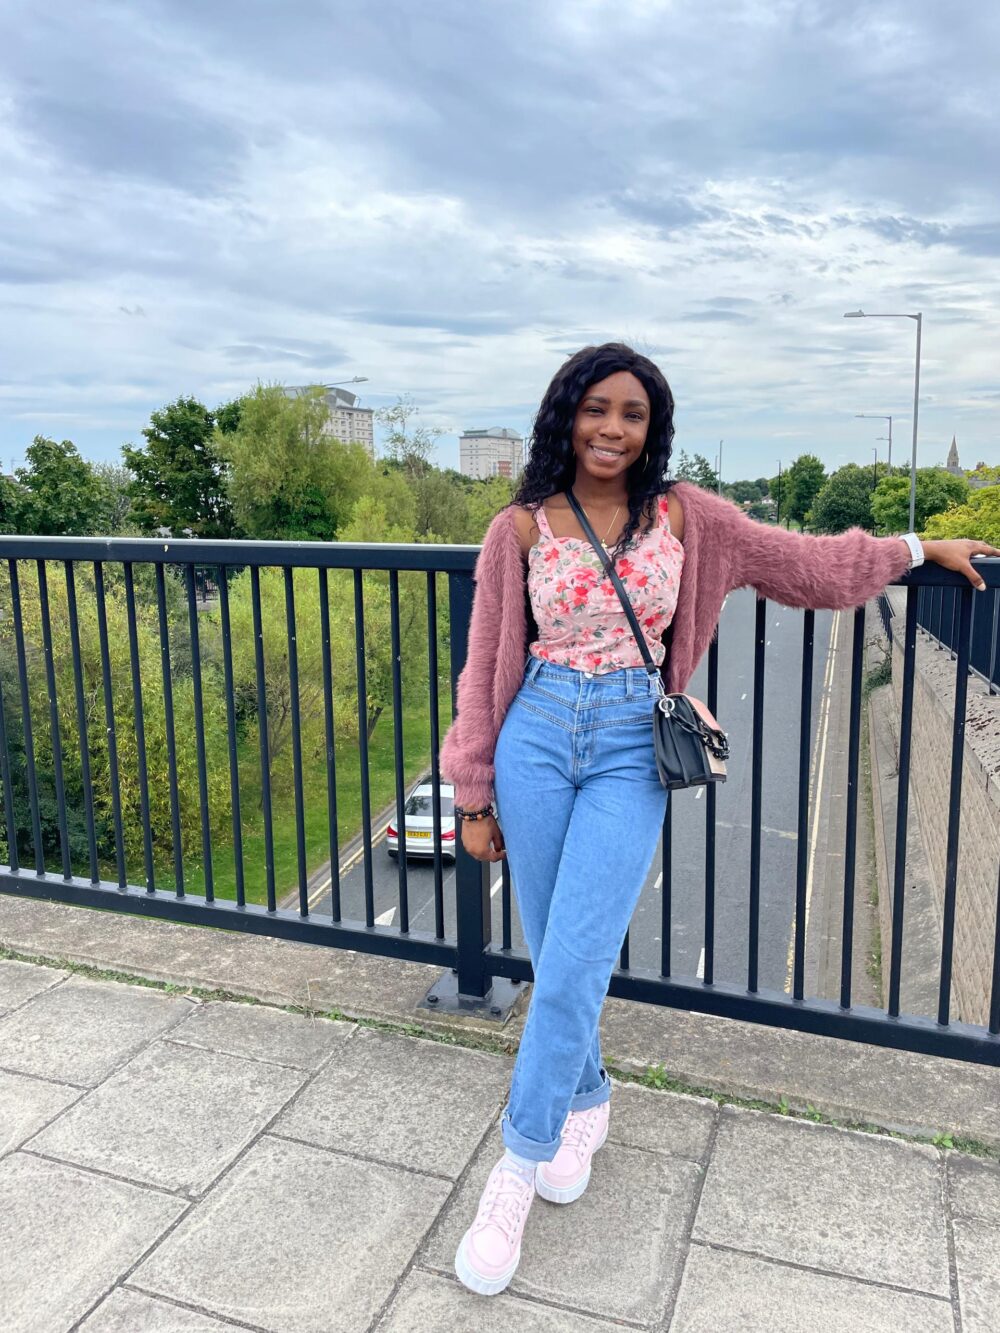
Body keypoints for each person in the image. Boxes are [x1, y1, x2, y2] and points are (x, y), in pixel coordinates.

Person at [438, 342, 997, 1297]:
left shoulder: (687, 516)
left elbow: (805, 565)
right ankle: (587, 1095)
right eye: (596, 408)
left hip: (631, 740)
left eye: (633, 414)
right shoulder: (519, 527)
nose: (613, 428)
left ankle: (514, 1171)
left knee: (574, 960)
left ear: (653, 429)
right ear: (565, 415)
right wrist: (474, 791)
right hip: (535, 738)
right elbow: (485, 664)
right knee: (556, 949)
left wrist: (913, 551)